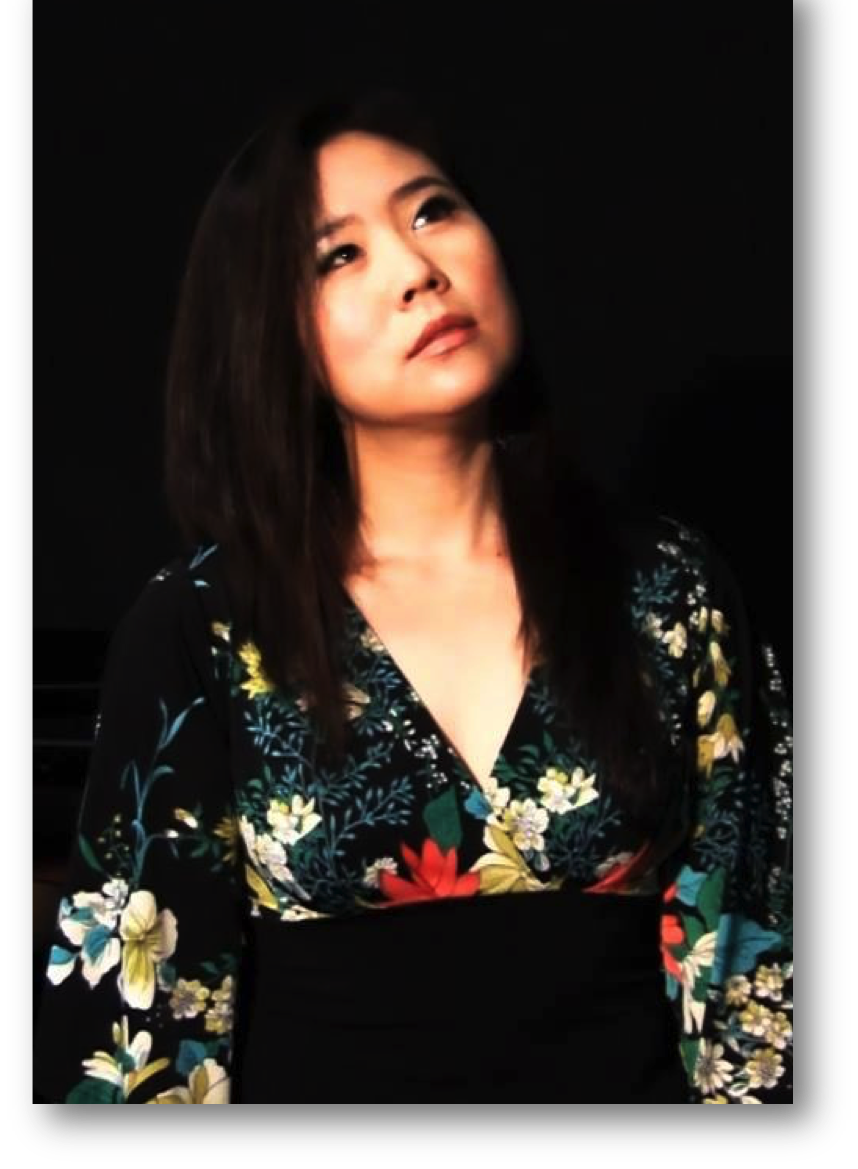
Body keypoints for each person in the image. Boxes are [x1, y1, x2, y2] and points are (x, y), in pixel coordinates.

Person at [33, 86, 793, 1104]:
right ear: (270, 336)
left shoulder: (666, 586)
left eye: (433, 211)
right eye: (339, 255)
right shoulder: (204, 624)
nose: (417, 270)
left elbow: (758, 977)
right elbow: (138, 1036)